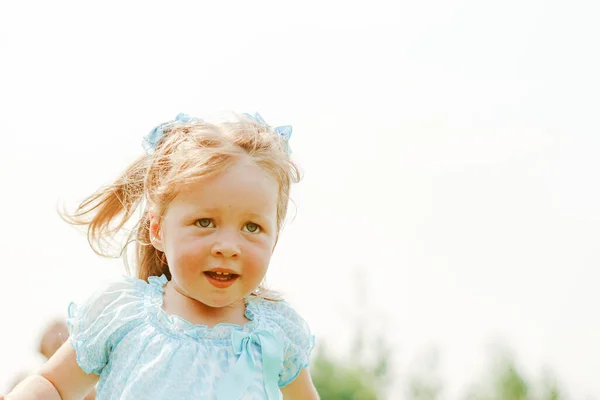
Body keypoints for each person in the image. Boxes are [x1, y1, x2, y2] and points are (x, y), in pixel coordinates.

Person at [5, 112, 318, 399]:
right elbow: (53, 384)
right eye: (204, 222)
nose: (228, 246)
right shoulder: (125, 314)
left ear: (275, 237)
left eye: (252, 227)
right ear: (157, 229)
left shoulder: (275, 332)